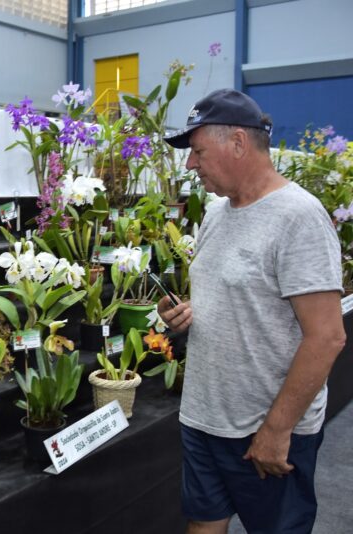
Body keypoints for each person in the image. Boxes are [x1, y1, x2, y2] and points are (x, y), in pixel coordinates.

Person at [159, 88, 346, 534]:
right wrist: (188, 314)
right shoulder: (216, 213)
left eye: (198, 151)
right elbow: (236, 297)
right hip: (205, 416)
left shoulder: (299, 217)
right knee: (203, 523)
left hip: (264, 428)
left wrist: (278, 429)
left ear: (239, 143)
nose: (190, 164)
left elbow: (328, 336)